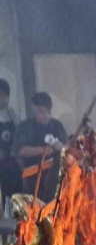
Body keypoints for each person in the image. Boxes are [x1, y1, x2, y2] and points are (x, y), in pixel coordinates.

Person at [14, 91, 67, 203]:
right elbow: (20, 150)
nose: (45, 115)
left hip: (55, 178)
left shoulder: (56, 125)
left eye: (48, 112)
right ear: (34, 110)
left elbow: (67, 147)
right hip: (33, 178)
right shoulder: (25, 127)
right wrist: (42, 150)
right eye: (41, 112)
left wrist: (60, 146)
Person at [0, 78, 21, 206]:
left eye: (5, 96)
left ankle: (18, 222)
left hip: (12, 161)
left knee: (16, 191)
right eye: (1, 96)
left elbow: (19, 134)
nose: (3, 100)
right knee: (5, 193)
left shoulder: (12, 113)